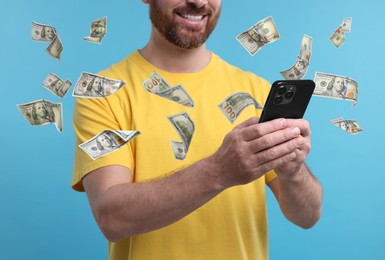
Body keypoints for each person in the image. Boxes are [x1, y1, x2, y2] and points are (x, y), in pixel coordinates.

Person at [72, 1, 323, 259]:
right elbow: (112, 219)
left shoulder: (255, 91)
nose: (200, 2)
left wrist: (294, 173)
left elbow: (307, 216)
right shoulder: (103, 93)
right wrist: (220, 171)